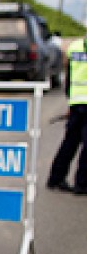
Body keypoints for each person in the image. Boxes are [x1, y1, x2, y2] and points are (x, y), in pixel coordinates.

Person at [46, 35, 87, 195]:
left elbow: (69, 80)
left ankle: (55, 179)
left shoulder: (75, 47)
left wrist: (71, 102)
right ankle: (82, 184)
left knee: (70, 142)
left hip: (76, 101)